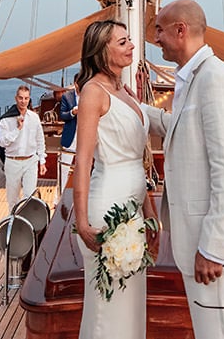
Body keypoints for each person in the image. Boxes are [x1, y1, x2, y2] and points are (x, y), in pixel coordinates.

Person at [144, 0, 224, 339]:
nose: (156, 39)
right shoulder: (193, 79)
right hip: (200, 242)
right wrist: (136, 109)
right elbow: (179, 128)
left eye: (159, 31)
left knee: (219, 334)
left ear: (180, 31)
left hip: (213, 249)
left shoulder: (215, 79)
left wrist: (213, 248)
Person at [73, 20, 155, 339]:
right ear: (101, 50)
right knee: (107, 309)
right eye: (122, 42)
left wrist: (148, 212)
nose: (131, 46)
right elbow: (83, 161)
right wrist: (81, 223)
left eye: (129, 40)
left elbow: (137, 158)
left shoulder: (125, 90)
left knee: (131, 303)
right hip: (108, 207)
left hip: (134, 209)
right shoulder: (93, 92)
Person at [0, 84, 46, 210]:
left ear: (29, 99)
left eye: (26, 98)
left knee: (30, 196)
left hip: (30, 161)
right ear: (15, 98)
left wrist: (42, 161)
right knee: (13, 198)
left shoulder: (34, 118)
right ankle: (14, 224)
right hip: (13, 161)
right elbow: (2, 142)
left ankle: (27, 225)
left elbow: (40, 139)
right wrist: (17, 129)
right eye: (20, 98)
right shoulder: (6, 120)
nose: (23, 101)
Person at [57, 83, 79, 195]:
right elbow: (62, 115)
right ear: (75, 84)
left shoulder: (88, 95)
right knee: (64, 167)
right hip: (70, 137)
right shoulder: (67, 96)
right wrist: (72, 113)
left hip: (85, 137)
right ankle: (59, 196)